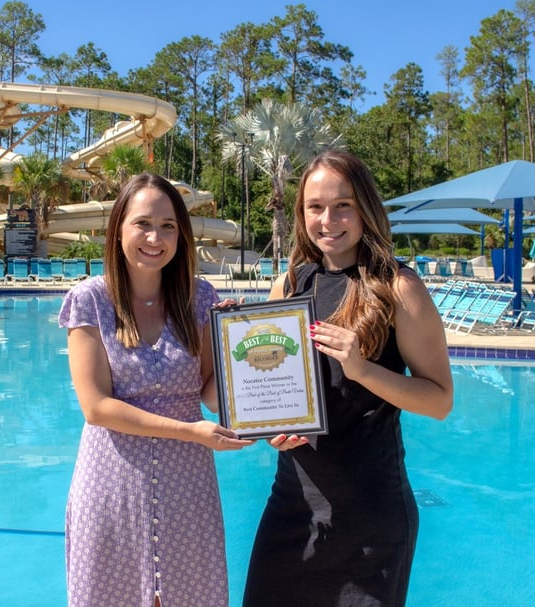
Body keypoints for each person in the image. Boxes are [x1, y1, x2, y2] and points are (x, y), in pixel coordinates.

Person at [242, 150, 454, 607]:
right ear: (301, 213)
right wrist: (271, 430)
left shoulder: (397, 287)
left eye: (343, 205)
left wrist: (363, 370)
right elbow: (276, 394)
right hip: (293, 509)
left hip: (371, 521)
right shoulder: (290, 284)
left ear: (365, 208)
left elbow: (439, 401)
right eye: (315, 206)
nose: (328, 219)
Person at [58, 172, 253, 607]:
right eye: (143, 223)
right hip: (113, 480)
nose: (155, 237)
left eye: (168, 226)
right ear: (118, 228)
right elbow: (96, 407)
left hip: (188, 482)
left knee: (190, 594)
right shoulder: (89, 300)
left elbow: (212, 395)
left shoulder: (200, 298)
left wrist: (231, 346)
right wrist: (191, 432)